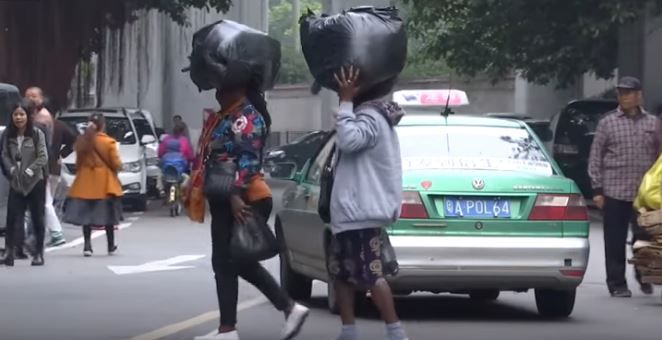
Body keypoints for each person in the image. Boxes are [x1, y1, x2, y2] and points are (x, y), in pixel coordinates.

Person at [192, 83, 309, 340]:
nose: (217, 91)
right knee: (224, 262)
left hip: (245, 198)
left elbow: (249, 159)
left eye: (223, 86)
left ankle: (288, 307)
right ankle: (228, 328)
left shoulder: (246, 117)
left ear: (238, 87)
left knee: (236, 261)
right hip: (225, 198)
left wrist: (235, 194)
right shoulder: (225, 116)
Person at [327, 66, 408, 340]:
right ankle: (348, 331)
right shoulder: (370, 115)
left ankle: (395, 331)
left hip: (361, 212)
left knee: (372, 274)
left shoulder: (371, 116)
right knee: (340, 274)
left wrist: (346, 102)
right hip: (351, 213)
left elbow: (350, 141)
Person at [588, 76, 658, 298]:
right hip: (615, 191)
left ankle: (643, 274)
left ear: (639, 96)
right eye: (621, 93)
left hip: (644, 194)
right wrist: (597, 190)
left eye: (628, 93)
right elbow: (595, 157)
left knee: (645, 237)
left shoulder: (653, 123)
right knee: (615, 240)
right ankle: (617, 283)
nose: (624, 97)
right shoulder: (608, 122)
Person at [63, 113, 123, 257]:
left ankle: (87, 246)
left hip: (85, 180)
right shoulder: (108, 142)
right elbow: (115, 164)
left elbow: (78, 162)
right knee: (109, 215)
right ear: (102, 125)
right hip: (105, 182)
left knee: (86, 217)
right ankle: (110, 245)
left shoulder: (82, 141)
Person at [0, 100, 48, 266]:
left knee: (37, 218)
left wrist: (30, 170)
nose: (18, 118)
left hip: (35, 182)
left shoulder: (37, 134)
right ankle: (9, 253)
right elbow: (4, 155)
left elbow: (43, 157)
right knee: (12, 218)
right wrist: (11, 169)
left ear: (28, 116)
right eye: (16, 114)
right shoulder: (8, 135)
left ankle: (38, 254)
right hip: (16, 182)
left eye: (22, 114)